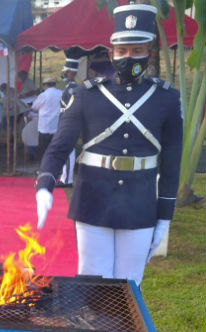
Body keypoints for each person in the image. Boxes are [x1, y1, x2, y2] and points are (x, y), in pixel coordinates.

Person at [35, 4, 183, 285]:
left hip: (140, 202)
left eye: (137, 50)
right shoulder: (86, 94)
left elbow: (172, 162)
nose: (129, 57)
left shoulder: (166, 98)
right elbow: (59, 147)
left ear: (149, 53)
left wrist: (164, 216)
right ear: (112, 52)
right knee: (92, 280)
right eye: (123, 51)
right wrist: (44, 185)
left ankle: (122, 331)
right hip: (93, 197)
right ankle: (96, 331)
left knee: (129, 284)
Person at [57, 54, 80, 188]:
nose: (64, 73)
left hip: (69, 122)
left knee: (68, 151)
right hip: (65, 120)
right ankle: (65, 177)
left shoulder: (72, 88)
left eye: (66, 72)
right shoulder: (68, 86)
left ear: (72, 72)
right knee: (66, 151)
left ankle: (67, 180)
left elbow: (71, 107)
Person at [32, 76, 63, 162]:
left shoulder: (43, 95)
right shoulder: (62, 93)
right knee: (55, 148)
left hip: (44, 127)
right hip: (57, 125)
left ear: (45, 85)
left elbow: (34, 107)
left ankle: (43, 168)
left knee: (43, 149)